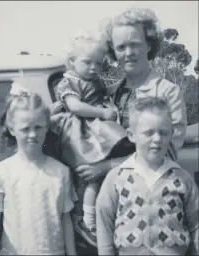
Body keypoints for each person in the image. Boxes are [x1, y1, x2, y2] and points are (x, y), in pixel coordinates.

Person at [74, 7, 187, 206]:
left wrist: (107, 166)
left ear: (149, 45)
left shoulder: (168, 92)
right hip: (108, 200)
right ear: (112, 51)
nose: (128, 53)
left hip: (151, 198)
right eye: (121, 47)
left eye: (135, 45)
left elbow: (167, 151)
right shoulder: (106, 93)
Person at [50, 31, 132, 247]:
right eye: (88, 62)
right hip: (80, 132)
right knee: (91, 175)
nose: (94, 68)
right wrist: (103, 114)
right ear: (71, 62)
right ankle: (88, 221)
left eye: (98, 63)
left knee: (100, 175)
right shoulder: (67, 83)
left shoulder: (95, 80)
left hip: (94, 130)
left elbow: (104, 94)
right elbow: (75, 106)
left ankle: (94, 219)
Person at [96, 97, 198, 255]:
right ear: (132, 135)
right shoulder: (116, 178)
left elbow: (196, 226)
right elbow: (104, 224)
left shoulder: (182, 179)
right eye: (149, 133)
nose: (157, 139)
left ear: (171, 133)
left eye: (163, 133)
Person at [0, 91, 77, 255]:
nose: (33, 134)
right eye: (25, 129)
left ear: (47, 126)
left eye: (38, 127)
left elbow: (65, 219)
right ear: (12, 129)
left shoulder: (60, 172)